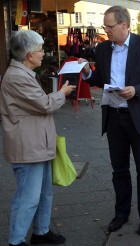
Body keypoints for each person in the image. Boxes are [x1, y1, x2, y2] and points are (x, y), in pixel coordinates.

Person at [78, 6, 140, 235]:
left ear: (124, 25)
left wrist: (137, 89)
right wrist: (88, 72)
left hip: (139, 116)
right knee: (119, 170)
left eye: (110, 26)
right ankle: (121, 213)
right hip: (114, 117)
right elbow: (100, 77)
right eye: (105, 26)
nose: (106, 30)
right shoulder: (103, 48)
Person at [0, 30, 75, 246]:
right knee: (28, 197)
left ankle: (40, 232)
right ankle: (16, 240)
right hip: (27, 147)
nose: (44, 54)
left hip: (36, 144)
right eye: (40, 50)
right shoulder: (17, 77)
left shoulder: (22, 74)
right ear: (29, 54)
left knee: (43, 193)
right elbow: (44, 105)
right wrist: (62, 93)